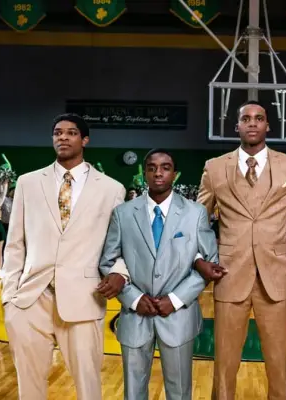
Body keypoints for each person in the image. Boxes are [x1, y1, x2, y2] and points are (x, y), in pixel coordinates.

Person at [1, 113, 126, 400]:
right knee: (29, 386)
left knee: (89, 386)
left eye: (71, 133)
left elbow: (119, 245)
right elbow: (15, 243)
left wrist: (120, 272)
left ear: (85, 140)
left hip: (84, 297)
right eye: (58, 133)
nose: (63, 137)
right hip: (30, 299)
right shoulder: (28, 183)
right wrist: (9, 297)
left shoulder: (111, 189)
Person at [196, 100, 286, 400]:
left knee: (279, 361)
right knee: (224, 362)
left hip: (276, 276)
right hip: (229, 273)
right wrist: (201, 258)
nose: (252, 123)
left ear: (268, 126)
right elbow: (197, 220)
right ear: (237, 126)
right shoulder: (214, 167)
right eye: (246, 118)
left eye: (259, 118)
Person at [98, 149, 218, 400]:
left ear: (175, 173)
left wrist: (174, 299)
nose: (158, 173)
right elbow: (109, 261)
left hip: (178, 316)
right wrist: (133, 298)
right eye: (152, 168)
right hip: (135, 315)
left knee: (179, 392)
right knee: (133, 392)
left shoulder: (195, 213)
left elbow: (209, 264)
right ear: (145, 174)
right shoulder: (123, 213)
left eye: (165, 167)